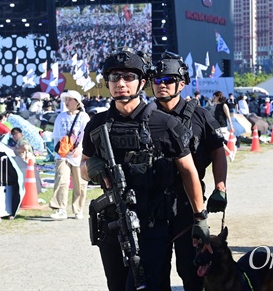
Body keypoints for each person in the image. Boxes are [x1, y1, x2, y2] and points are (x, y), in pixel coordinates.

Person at [80, 48, 211, 291]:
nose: (121, 84)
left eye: (128, 77)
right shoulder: (97, 125)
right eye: (114, 77)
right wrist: (93, 169)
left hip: (153, 223)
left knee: (150, 285)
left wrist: (199, 217)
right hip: (112, 222)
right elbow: (83, 167)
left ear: (142, 82)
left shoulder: (164, 123)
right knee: (118, 286)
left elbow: (189, 172)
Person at [149, 52, 227, 291]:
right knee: (154, 272)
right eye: (157, 79)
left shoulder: (200, 116)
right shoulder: (144, 117)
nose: (161, 85)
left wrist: (220, 187)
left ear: (181, 84)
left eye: (168, 80)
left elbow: (218, 152)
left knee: (192, 271)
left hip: (187, 205)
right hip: (152, 205)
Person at [49, 90, 91, 220]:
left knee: (80, 183)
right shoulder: (60, 116)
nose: (66, 102)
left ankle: (78, 209)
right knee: (61, 179)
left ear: (77, 102)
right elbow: (56, 135)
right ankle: (61, 208)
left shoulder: (84, 117)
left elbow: (86, 134)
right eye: (65, 100)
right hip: (63, 153)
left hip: (78, 154)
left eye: (69, 100)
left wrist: (80, 148)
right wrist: (60, 150)